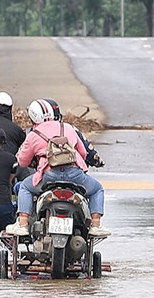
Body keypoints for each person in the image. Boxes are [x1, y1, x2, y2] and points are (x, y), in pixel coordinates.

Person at [12, 99, 105, 232]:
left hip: (48, 177)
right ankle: (95, 225)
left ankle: (22, 224)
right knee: (97, 189)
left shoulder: (33, 135)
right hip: (75, 175)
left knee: (25, 188)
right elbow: (83, 153)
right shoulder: (67, 127)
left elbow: (22, 162)